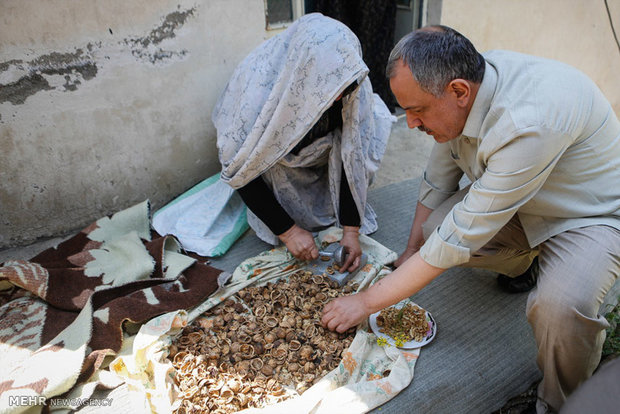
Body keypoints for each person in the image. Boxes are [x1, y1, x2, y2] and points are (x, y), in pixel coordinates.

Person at [321, 25, 620, 413]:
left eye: (417, 110)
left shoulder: (526, 122)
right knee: (430, 234)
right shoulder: (469, 86)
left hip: (588, 213)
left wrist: (365, 302)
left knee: (560, 307)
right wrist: (412, 249)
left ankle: (559, 402)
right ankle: (527, 263)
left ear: (459, 92)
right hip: (520, 202)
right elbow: (438, 178)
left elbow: (457, 238)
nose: (410, 123)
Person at [213, 13, 395, 272]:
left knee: (374, 120)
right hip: (275, 162)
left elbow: (353, 152)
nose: (335, 99)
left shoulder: (353, 80)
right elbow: (239, 165)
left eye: (341, 91)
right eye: (328, 91)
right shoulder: (257, 88)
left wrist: (351, 231)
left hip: (319, 154)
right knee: (285, 220)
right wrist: (288, 232)